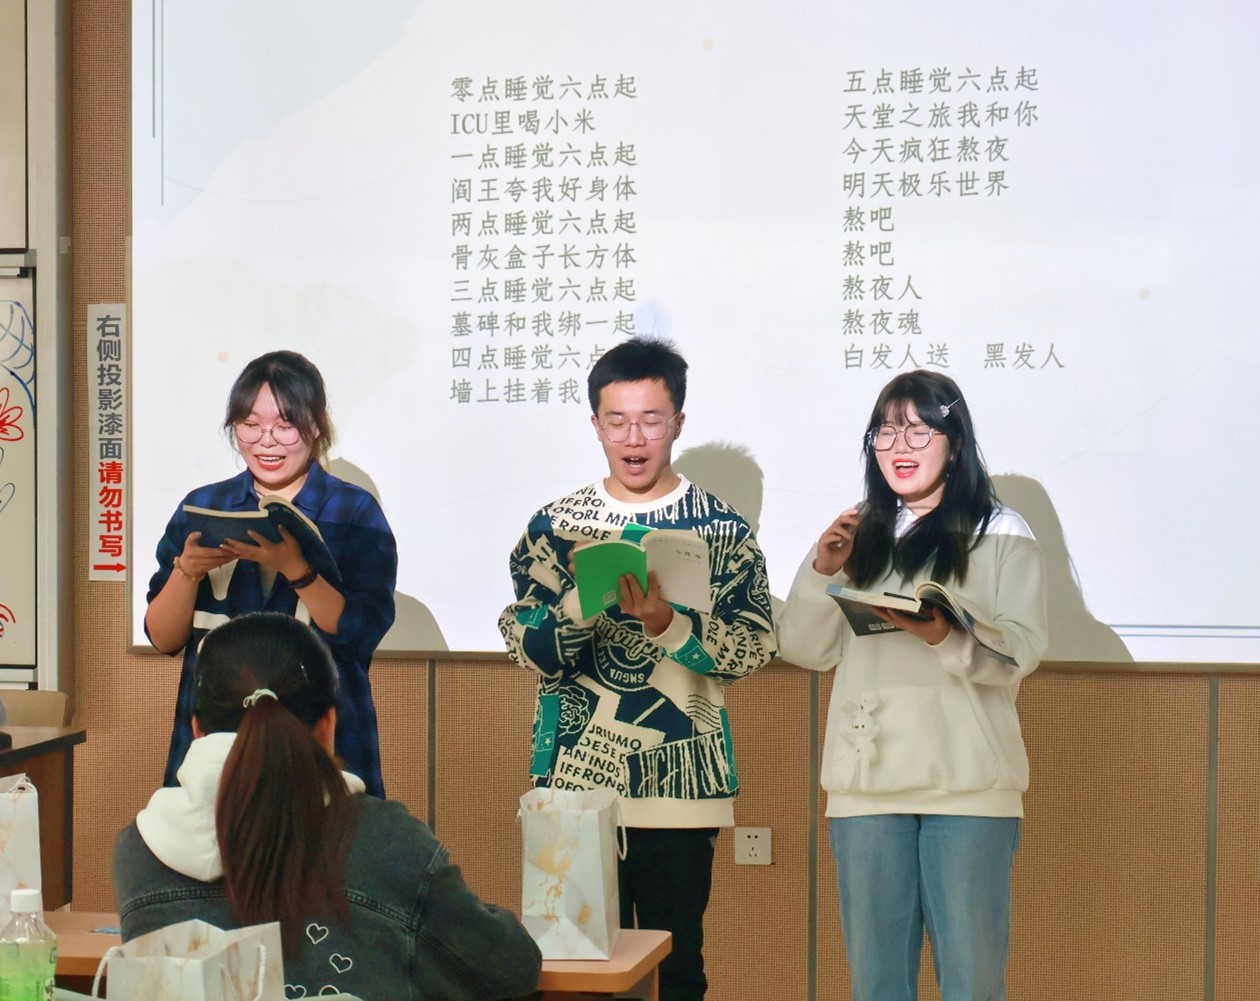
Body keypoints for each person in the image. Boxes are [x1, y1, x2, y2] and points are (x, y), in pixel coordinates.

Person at [498, 336, 776, 1001]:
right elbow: (523, 641)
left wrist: (666, 623)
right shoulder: (554, 526)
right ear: (595, 424)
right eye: (617, 420)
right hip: (569, 785)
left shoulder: (722, 529)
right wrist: (578, 604)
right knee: (569, 970)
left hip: (680, 785)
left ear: (678, 421)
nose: (634, 437)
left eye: (651, 419)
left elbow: (755, 646)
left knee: (676, 971)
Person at [776, 370, 1049, 1001]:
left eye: (920, 431)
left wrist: (944, 635)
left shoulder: (1001, 530)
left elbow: (1022, 651)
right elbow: (806, 649)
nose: (900, 445)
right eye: (886, 431)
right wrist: (822, 569)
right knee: (877, 983)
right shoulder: (857, 531)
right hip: (867, 784)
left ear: (956, 444)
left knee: (972, 981)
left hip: (970, 784)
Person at [113, 612, 543, 1000]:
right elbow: (509, 969)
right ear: (328, 725)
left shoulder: (141, 851)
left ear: (196, 730)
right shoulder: (389, 843)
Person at [144, 350, 396, 797]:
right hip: (217, 739)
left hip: (321, 735)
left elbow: (360, 634)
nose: (266, 442)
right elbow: (163, 638)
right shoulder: (204, 507)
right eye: (250, 425)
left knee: (332, 839)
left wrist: (296, 570)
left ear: (315, 426)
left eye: (285, 425)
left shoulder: (353, 511)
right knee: (211, 841)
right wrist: (186, 571)